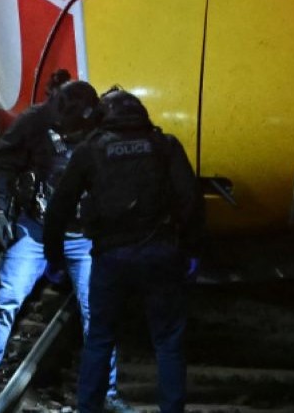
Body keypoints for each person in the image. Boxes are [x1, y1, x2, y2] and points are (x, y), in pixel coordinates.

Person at [0, 73, 125, 409]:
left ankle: (106, 393)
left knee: (98, 313)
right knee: (5, 299)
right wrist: (0, 211)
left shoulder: (107, 132)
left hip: (84, 237)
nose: (63, 131)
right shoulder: (35, 122)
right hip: (36, 229)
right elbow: (1, 163)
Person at [45, 89, 203, 413]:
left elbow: (59, 208)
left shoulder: (90, 151)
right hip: (160, 253)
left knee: (100, 339)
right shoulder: (164, 145)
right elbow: (190, 201)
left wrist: (54, 258)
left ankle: (88, 408)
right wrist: (191, 250)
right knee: (168, 341)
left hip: (111, 258)